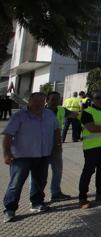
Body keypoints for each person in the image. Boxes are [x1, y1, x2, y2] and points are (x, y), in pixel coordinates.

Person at [2, 92, 60, 223]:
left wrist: (57, 146)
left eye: (41, 101)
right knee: (15, 184)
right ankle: (9, 209)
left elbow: (56, 130)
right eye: (35, 101)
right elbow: (8, 135)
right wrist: (6, 153)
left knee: (40, 181)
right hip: (22, 156)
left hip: (43, 154)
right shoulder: (19, 116)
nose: (38, 104)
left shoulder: (49, 114)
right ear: (29, 101)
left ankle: (37, 203)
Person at [31, 92, 75, 201]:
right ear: (47, 100)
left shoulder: (61, 110)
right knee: (39, 173)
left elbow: (74, 114)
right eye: (53, 99)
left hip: (55, 145)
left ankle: (56, 193)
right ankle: (35, 198)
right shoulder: (40, 111)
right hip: (41, 146)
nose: (56, 101)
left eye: (58, 99)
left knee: (57, 170)